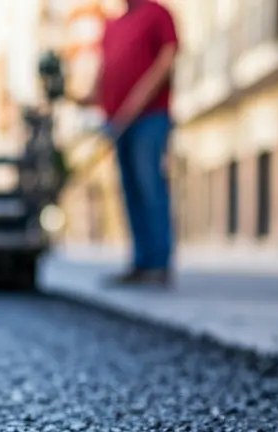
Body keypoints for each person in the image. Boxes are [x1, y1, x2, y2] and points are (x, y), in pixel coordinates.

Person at [79, 0, 179, 287]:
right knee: (130, 189)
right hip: (116, 121)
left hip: (149, 116)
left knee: (149, 184)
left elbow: (167, 58)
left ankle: (159, 263)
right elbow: (105, 69)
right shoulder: (112, 25)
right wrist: (90, 97)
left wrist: (135, 100)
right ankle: (141, 262)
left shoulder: (158, 14)